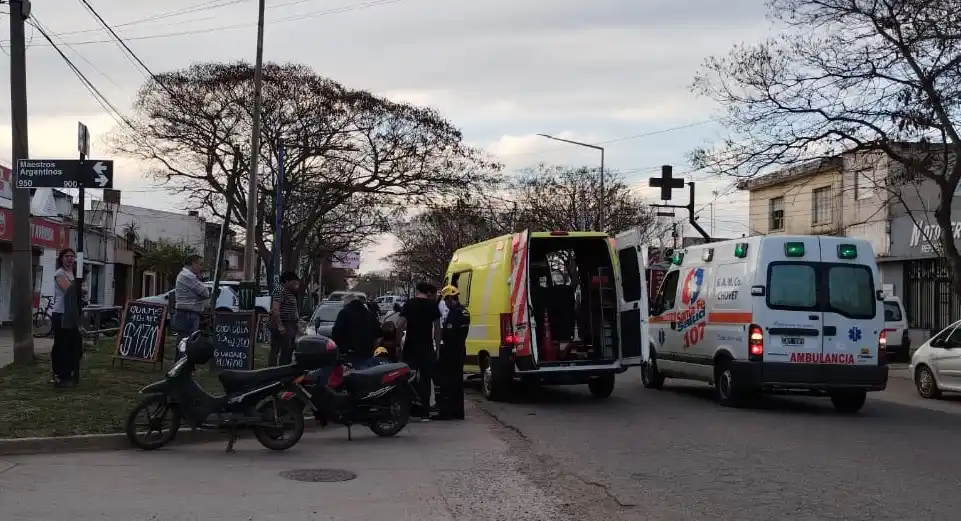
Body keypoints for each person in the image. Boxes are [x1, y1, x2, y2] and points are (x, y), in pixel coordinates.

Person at [397, 282, 441, 422]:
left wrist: (399, 343)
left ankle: (409, 410)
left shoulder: (409, 304)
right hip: (426, 346)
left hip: (410, 346)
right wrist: (437, 347)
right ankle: (425, 413)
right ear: (427, 291)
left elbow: (400, 324)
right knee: (426, 379)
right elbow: (438, 327)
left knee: (408, 377)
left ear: (416, 290)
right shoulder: (432, 306)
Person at [433, 285, 470, 420]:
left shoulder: (454, 314)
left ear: (448, 298)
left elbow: (448, 334)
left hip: (450, 352)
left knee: (446, 382)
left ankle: (446, 412)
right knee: (458, 382)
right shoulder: (464, 312)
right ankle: (458, 412)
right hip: (460, 351)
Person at [50, 248, 83, 388]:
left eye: (72, 256)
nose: (70, 259)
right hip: (61, 314)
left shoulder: (75, 273)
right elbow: (68, 289)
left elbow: (83, 290)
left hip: (72, 314)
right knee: (61, 345)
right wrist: (80, 285)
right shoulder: (60, 273)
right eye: (67, 256)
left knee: (76, 345)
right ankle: (59, 375)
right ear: (61, 258)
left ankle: (70, 371)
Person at [172, 254, 210, 359]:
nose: (200, 267)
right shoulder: (187, 276)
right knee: (185, 343)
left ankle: (184, 367)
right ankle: (180, 368)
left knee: (186, 342)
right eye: (199, 264)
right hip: (186, 314)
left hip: (188, 312)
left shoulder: (188, 276)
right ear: (193, 263)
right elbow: (205, 292)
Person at [331, 294, 382, 369]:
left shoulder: (344, 313)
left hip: (348, 355)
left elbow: (336, 333)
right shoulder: (369, 314)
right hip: (367, 354)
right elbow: (379, 333)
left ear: (346, 304)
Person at [269, 271, 302, 366]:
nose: (296, 285)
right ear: (287, 281)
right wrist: (280, 326)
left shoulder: (290, 293)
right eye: (294, 282)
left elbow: (293, 311)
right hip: (283, 324)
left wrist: (297, 325)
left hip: (290, 325)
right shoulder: (280, 290)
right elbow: (275, 309)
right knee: (280, 350)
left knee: (288, 350)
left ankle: (284, 369)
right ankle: (274, 371)